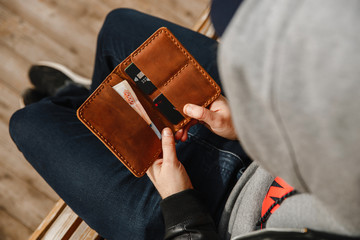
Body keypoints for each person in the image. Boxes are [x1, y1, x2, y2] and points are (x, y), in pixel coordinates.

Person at [9, 0, 360, 239]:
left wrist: (179, 204)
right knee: (120, 27)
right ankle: (87, 101)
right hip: (259, 138)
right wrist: (249, 126)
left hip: (208, 217)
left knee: (30, 123)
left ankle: (75, 102)